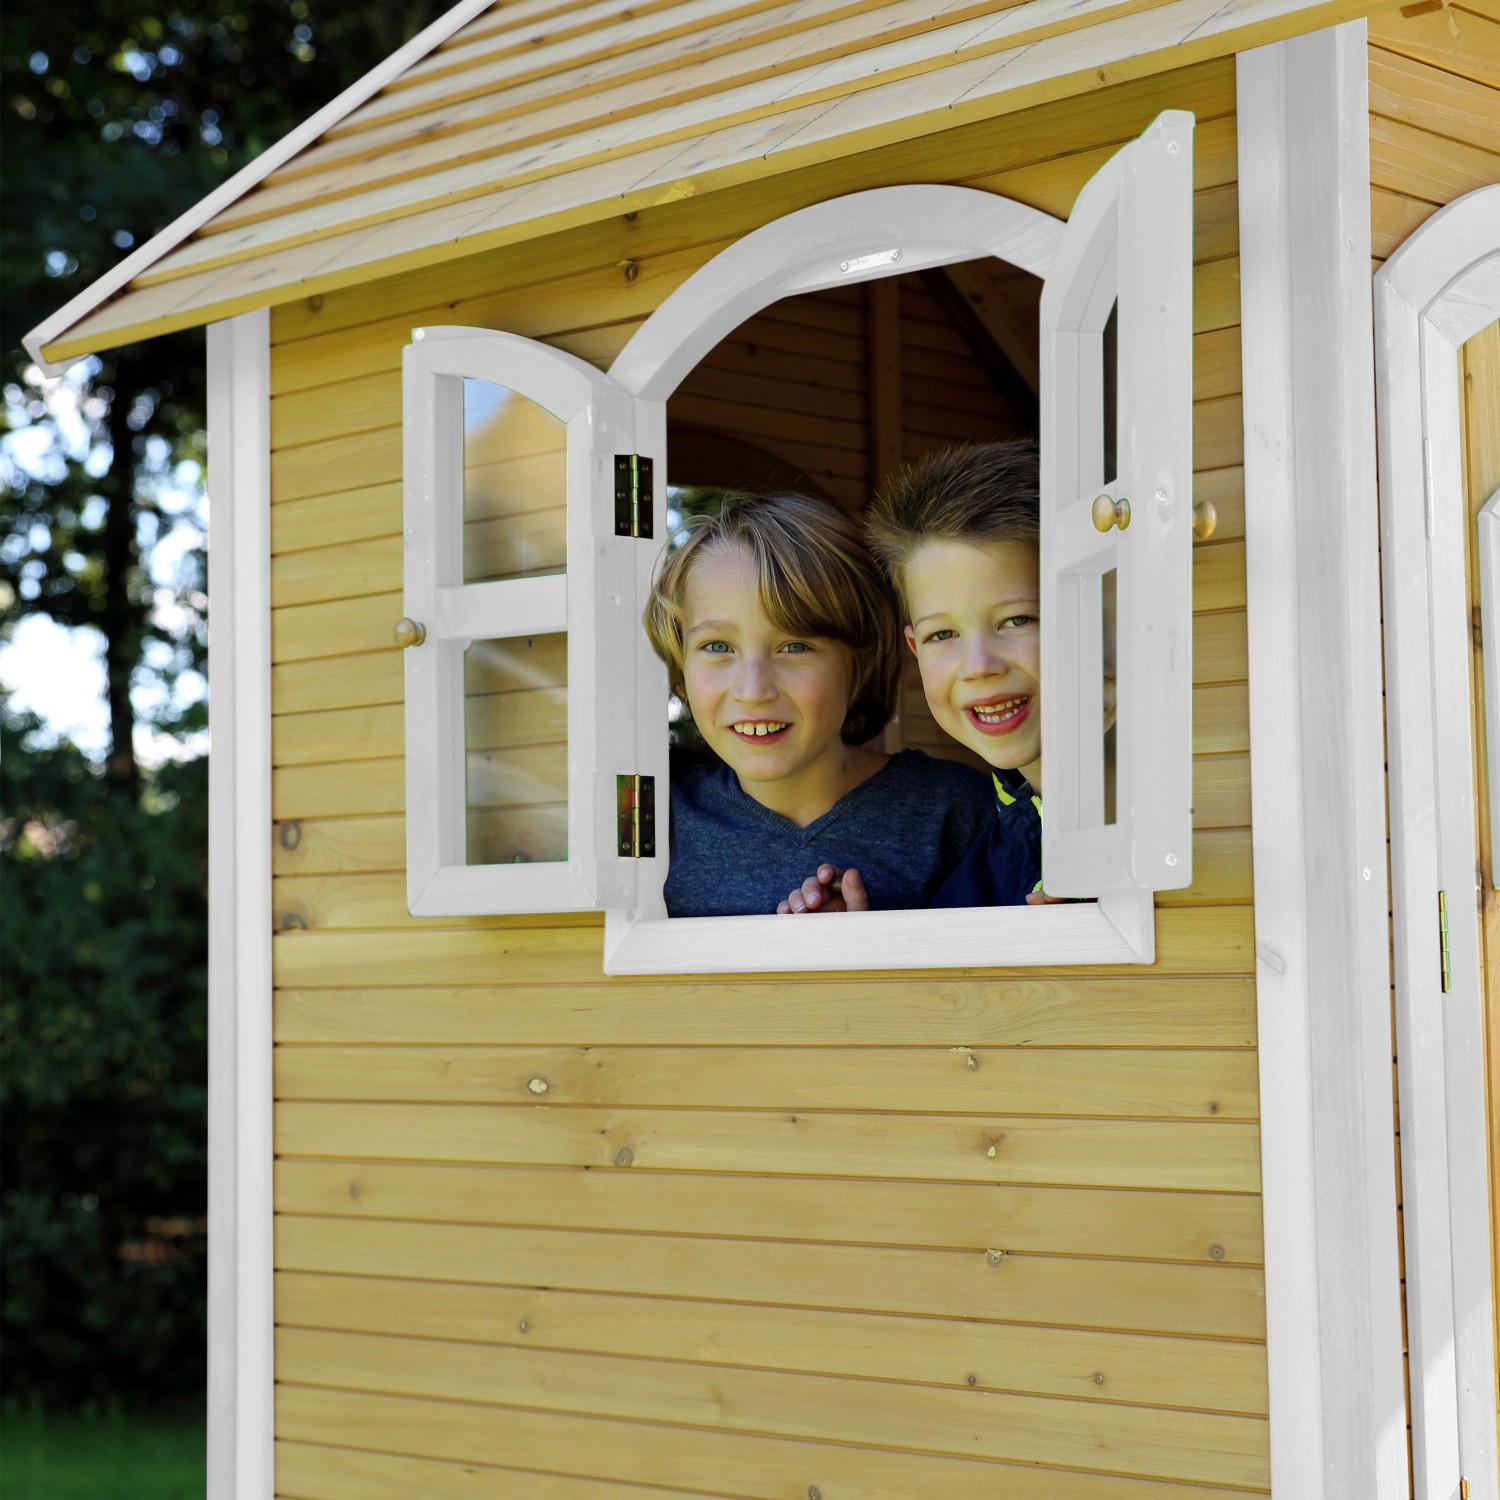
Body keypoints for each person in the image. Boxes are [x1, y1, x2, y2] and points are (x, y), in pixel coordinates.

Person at [642, 490, 995, 917]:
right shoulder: (655, 822)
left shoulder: (954, 813)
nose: (753, 690)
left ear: (858, 662)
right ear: (680, 673)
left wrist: (868, 949)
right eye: (718, 646)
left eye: (794, 647)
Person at [780, 441, 1062, 914]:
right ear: (914, 647)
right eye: (943, 634)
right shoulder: (986, 863)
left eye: (1017, 620)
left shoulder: (1142, 820)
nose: (977, 666)